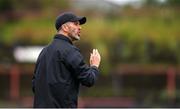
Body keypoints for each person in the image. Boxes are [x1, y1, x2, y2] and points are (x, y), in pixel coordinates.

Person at [32, 12, 101, 108]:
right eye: (76, 24)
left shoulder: (44, 51)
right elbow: (88, 79)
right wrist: (94, 66)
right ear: (65, 27)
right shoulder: (70, 51)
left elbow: (34, 85)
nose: (80, 27)